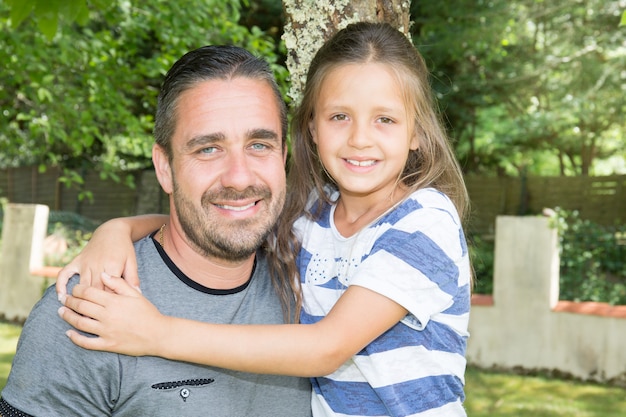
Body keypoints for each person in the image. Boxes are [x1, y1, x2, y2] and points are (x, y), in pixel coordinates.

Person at [59, 22, 472, 416]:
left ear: (416, 132)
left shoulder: (424, 222)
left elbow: (325, 348)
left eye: (385, 119)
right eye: (339, 117)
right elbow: (219, 216)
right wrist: (115, 231)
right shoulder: (312, 219)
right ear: (311, 128)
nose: (360, 138)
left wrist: (157, 333)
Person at [0, 45, 313, 417]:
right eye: (209, 149)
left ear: (283, 157)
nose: (240, 177)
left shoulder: (314, 283)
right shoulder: (89, 309)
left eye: (259, 145)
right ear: (164, 167)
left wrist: (116, 227)